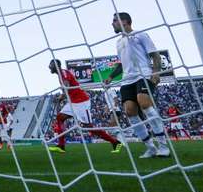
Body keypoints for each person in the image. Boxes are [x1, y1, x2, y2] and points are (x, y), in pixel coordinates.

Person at [103, 12, 170, 159]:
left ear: (125, 21)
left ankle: (163, 146)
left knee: (144, 103)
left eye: (115, 20)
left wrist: (156, 72)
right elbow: (122, 63)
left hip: (143, 74)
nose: (112, 23)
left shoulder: (140, 35)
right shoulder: (119, 42)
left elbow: (155, 55)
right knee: (130, 111)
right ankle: (150, 148)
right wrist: (110, 76)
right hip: (127, 79)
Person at [48, 59, 121, 153]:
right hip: (73, 102)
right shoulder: (60, 74)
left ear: (56, 65)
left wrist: (63, 96)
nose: (49, 67)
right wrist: (61, 97)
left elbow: (66, 85)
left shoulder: (63, 73)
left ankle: (115, 142)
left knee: (90, 128)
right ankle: (61, 146)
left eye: (51, 65)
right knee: (60, 118)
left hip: (81, 102)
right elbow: (67, 88)